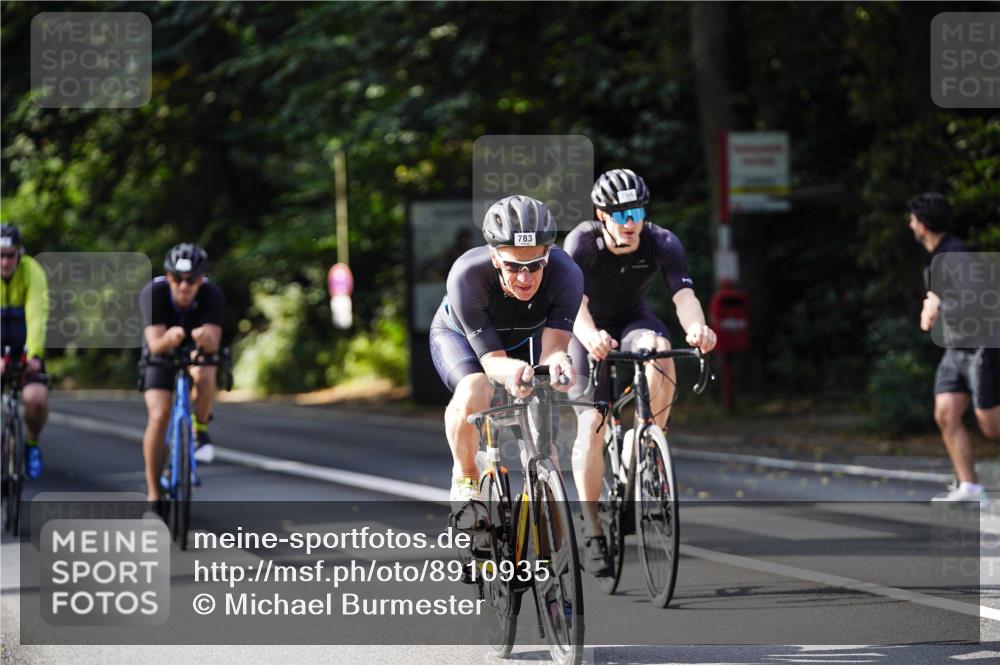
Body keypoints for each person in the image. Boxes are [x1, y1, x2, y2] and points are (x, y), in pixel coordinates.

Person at [563, 169, 717, 576]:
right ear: (602, 215)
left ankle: (645, 441)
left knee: (662, 351)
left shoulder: (661, 241)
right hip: (586, 327)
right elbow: (571, 303)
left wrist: (696, 328)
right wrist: (591, 335)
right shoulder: (582, 243)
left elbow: (684, 295)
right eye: (620, 213)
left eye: (637, 211)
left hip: (633, 319)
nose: (630, 221)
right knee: (591, 424)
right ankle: (594, 529)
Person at [429, 195, 582, 515]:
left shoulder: (567, 273)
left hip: (522, 343)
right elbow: (491, 361)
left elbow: (554, 348)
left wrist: (559, 363)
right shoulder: (467, 275)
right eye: (513, 266)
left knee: (545, 452)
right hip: (465, 342)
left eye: (535, 266)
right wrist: (513, 374)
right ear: (496, 257)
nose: (525, 279)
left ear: (548, 256)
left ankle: (556, 551)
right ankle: (466, 477)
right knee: (476, 387)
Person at [909, 192, 999, 503]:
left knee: (991, 426)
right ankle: (970, 487)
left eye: (912, 220)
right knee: (946, 412)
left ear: (922, 225)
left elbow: (978, 298)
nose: (910, 225)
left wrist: (939, 303)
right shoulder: (937, 257)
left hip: (980, 347)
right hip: (955, 349)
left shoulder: (957, 254)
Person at [138, 243, 224, 503]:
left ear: (201, 280)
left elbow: (213, 343)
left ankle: (199, 428)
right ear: (168, 277)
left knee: (205, 374)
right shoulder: (153, 292)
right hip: (161, 352)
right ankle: (154, 493)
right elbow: (154, 344)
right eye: (177, 279)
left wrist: (204, 337)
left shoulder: (212, 294)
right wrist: (169, 339)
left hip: (195, 352)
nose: (184, 286)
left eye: (191, 280)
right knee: (159, 414)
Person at [0, 223, 50, 478]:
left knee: (36, 399)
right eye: (0, 255)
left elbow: (36, 316)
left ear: (19, 253)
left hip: (25, 343)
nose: (6, 262)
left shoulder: (32, 270)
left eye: (11, 255)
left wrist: (34, 355)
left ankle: (31, 444)